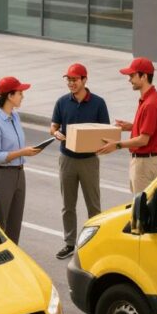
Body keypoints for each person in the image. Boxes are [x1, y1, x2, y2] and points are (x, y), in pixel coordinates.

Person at [50, 63, 110, 260]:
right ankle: (69, 243)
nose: (71, 83)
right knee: (68, 205)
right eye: (68, 79)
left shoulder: (98, 103)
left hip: (89, 161)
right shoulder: (61, 102)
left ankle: (95, 243)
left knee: (93, 204)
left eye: (74, 79)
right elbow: (53, 127)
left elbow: (105, 132)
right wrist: (56, 133)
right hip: (67, 159)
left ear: (84, 80)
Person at [0, 77, 41, 242]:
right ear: (10, 95)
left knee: (14, 228)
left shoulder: (15, 117)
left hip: (19, 175)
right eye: (20, 92)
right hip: (3, 178)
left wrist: (25, 152)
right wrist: (21, 152)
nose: (22, 96)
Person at [97, 57, 157, 195]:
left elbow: (143, 140)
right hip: (147, 162)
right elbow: (150, 128)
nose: (129, 79)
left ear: (144, 76)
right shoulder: (150, 99)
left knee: (141, 209)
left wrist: (116, 145)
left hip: (144, 164)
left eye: (132, 75)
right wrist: (131, 127)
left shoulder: (150, 104)